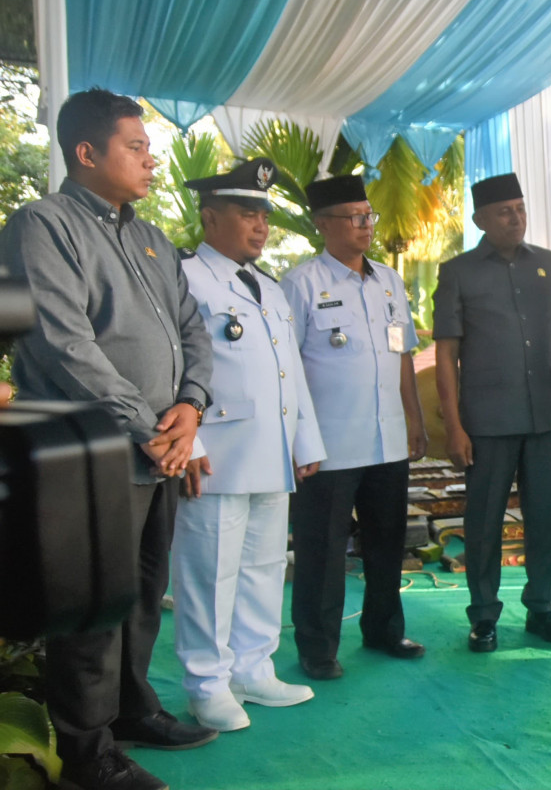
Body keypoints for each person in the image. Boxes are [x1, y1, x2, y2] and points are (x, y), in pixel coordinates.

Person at [0, 88, 217, 790]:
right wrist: (147, 427)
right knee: (89, 607)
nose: (151, 160)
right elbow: (64, 345)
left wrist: (190, 406)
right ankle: (86, 753)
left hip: (158, 448)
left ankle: (130, 710)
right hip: (87, 450)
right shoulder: (41, 224)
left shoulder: (149, 236)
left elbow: (192, 329)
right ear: (86, 152)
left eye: (149, 148)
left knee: (141, 592)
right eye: (136, 146)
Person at [172, 158, 326, 731]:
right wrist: (186, 445)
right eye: (246, 213)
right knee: (208, 572)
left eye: (263, 214)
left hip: (271, 448)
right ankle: (206, 683)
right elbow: (173, 368)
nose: (260, 226)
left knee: (264, 564)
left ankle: (254, 669)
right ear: (209, 217)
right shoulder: (184, 277)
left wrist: (304, 438)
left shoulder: (268, 286)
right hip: (215, 451)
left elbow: (291, 370)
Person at [280, 175, 428, 681]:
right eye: (354, 217)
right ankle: (318, 647)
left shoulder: (388, 279)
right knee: (322, 549)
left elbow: (402, 353)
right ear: (323, 225)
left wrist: (415, 417)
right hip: (329, 444)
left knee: (388, 540)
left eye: (369, 216)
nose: (366, 225)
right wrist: (299, 438)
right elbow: (288, 367)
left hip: (386, 437)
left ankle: (384, 628)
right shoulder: (300, 284)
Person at [432, 172, 551, 653]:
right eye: (504, 211)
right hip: (488, 421)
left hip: (546, 414)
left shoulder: (550, 264)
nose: (516, 218)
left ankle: (543, 608)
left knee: (544, 517)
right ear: (480, 219)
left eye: (520, 208)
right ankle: (483, 616)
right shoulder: (458, 272)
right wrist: (454, 425)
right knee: (484, 521)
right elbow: (445, 354)